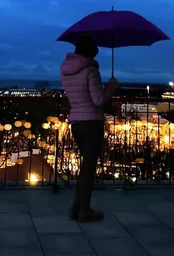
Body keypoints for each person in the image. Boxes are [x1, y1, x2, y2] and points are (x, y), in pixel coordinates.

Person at [60, 33, 119, 223]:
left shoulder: (65, 69)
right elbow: (99, 99)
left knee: (86, 166)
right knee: (88, 168)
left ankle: (76, 207)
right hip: (91, 122)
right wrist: (111, 87)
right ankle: (84, 209)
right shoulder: (90, 70)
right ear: (90, 51)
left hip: (76, 122)